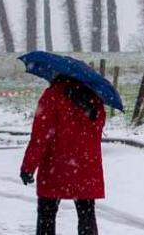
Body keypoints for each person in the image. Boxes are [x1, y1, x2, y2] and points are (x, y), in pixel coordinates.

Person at [20, 75, 106, 235]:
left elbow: (40, 136)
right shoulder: (95, 98)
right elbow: (97, 129)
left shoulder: (52, 95)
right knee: (86, 214)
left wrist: (28, 167)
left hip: (56, 166)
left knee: (47, 214)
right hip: (87, 166)